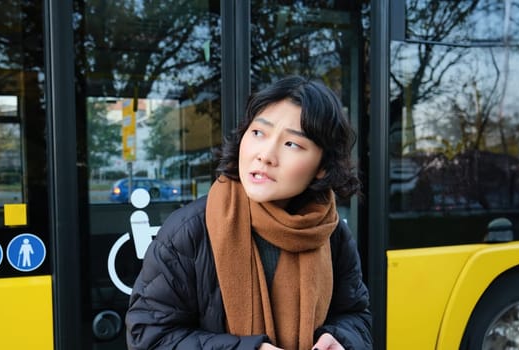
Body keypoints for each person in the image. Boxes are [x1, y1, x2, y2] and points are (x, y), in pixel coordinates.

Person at [125, 76, 372, 350]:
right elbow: (149, 337)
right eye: (258, 133)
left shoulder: (331, 232)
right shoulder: (189, 230)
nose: (265, 154)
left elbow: (356, 314)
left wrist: (341, 339)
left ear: (322, 167)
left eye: (292, 144)